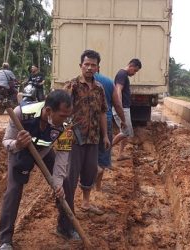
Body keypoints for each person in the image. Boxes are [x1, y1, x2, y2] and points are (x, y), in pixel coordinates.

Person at [0, 89, 73, 250]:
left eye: (68, 115)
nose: (66, 120)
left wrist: (57, 182)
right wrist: (17, 144)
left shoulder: (66, 127)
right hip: (20, 150)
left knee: (65, 184)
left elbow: (62, 157)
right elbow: (6, 142)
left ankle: (65, 228)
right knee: (13, 190)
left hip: (44, 152)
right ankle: (5, 240)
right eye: (62, 115)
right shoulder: (21, 113)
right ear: (48, 111)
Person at [63, 49, 110, 218]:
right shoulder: (72, 86)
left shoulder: (99, 88)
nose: (90, 68)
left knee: (90, 170)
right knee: (71, 174)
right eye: (86, 64)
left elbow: (103, 112)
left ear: (98, 68)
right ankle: (68, 210)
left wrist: (105, 136)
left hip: (93, 138)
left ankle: (86, 203)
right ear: (80, 66)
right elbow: (62, 111)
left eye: (93, 65)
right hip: (75, 138)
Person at [94, 71, 126, 191]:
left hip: (86, 122)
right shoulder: (108, 82)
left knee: (88, 152)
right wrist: (123, 119)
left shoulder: (79, 82)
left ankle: (86, 186)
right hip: (105, 120)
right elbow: (117, 104)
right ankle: (97, 187)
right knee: (102, 153)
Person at [112, 58, 142, 161]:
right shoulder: (122, 74)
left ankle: (120, 154)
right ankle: (105, 149)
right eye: (135, 71)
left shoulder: (123, 75)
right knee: (126, 132)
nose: (134, 73)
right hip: (122, 109)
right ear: (131, 66)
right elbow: (118, 90)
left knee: (125, 132)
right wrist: (119, 107)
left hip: (124, 108)